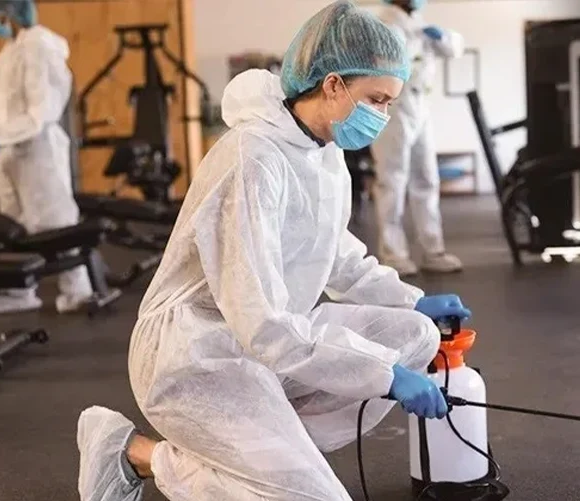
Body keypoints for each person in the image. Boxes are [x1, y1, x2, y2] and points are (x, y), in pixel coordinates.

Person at [76, 2, 471, 500]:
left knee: (414, 334)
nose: (384, 116)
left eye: (390, 102)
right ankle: (135, 452)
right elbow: (261, 323)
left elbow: (337, 253)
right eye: (377, 99)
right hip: (195, 355)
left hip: (265, 344)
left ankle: (263, 454)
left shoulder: (323, 151)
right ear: (332, 84)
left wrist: (412, 301)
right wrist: (381, 375)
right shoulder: (253, 159)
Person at [0, 0, 94, 314]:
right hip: (10, 155)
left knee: (53, 223)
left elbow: (40, 114)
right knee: (11, 226)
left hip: (38, 154)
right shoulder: (9, 51)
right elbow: (3, 114)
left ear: (9, 13)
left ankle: (78, 291)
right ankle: (19, 290)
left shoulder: (39, 46)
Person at [370, 0, 465, 277]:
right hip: (393, 105)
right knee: (392, 180)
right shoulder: (384, 22)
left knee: (426, 177)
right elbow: (391, 62)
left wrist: (441, 36)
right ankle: (394, 254)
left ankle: (433, 250)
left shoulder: (419, 23)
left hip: (421, 106)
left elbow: (452, 48)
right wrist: (415, 40)